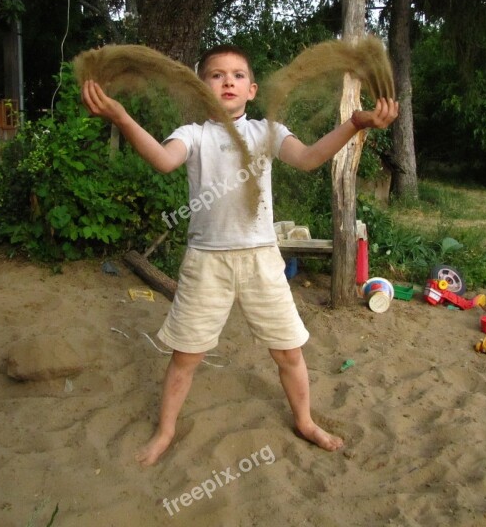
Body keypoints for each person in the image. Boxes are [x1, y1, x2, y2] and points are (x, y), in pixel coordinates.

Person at [81, 44, 399, 466]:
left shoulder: (265, 132)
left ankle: (304, 421)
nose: (226, 81)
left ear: (251, 90)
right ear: (200, 89)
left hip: (262, 260)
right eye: (215, 75)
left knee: (289, 352)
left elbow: (307, 159)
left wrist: (356, 123)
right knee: (185, 357)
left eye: (235, 75)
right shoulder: (192, 134)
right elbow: (161, 160)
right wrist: (122, 117)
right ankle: (165, 431)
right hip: (206, 262)